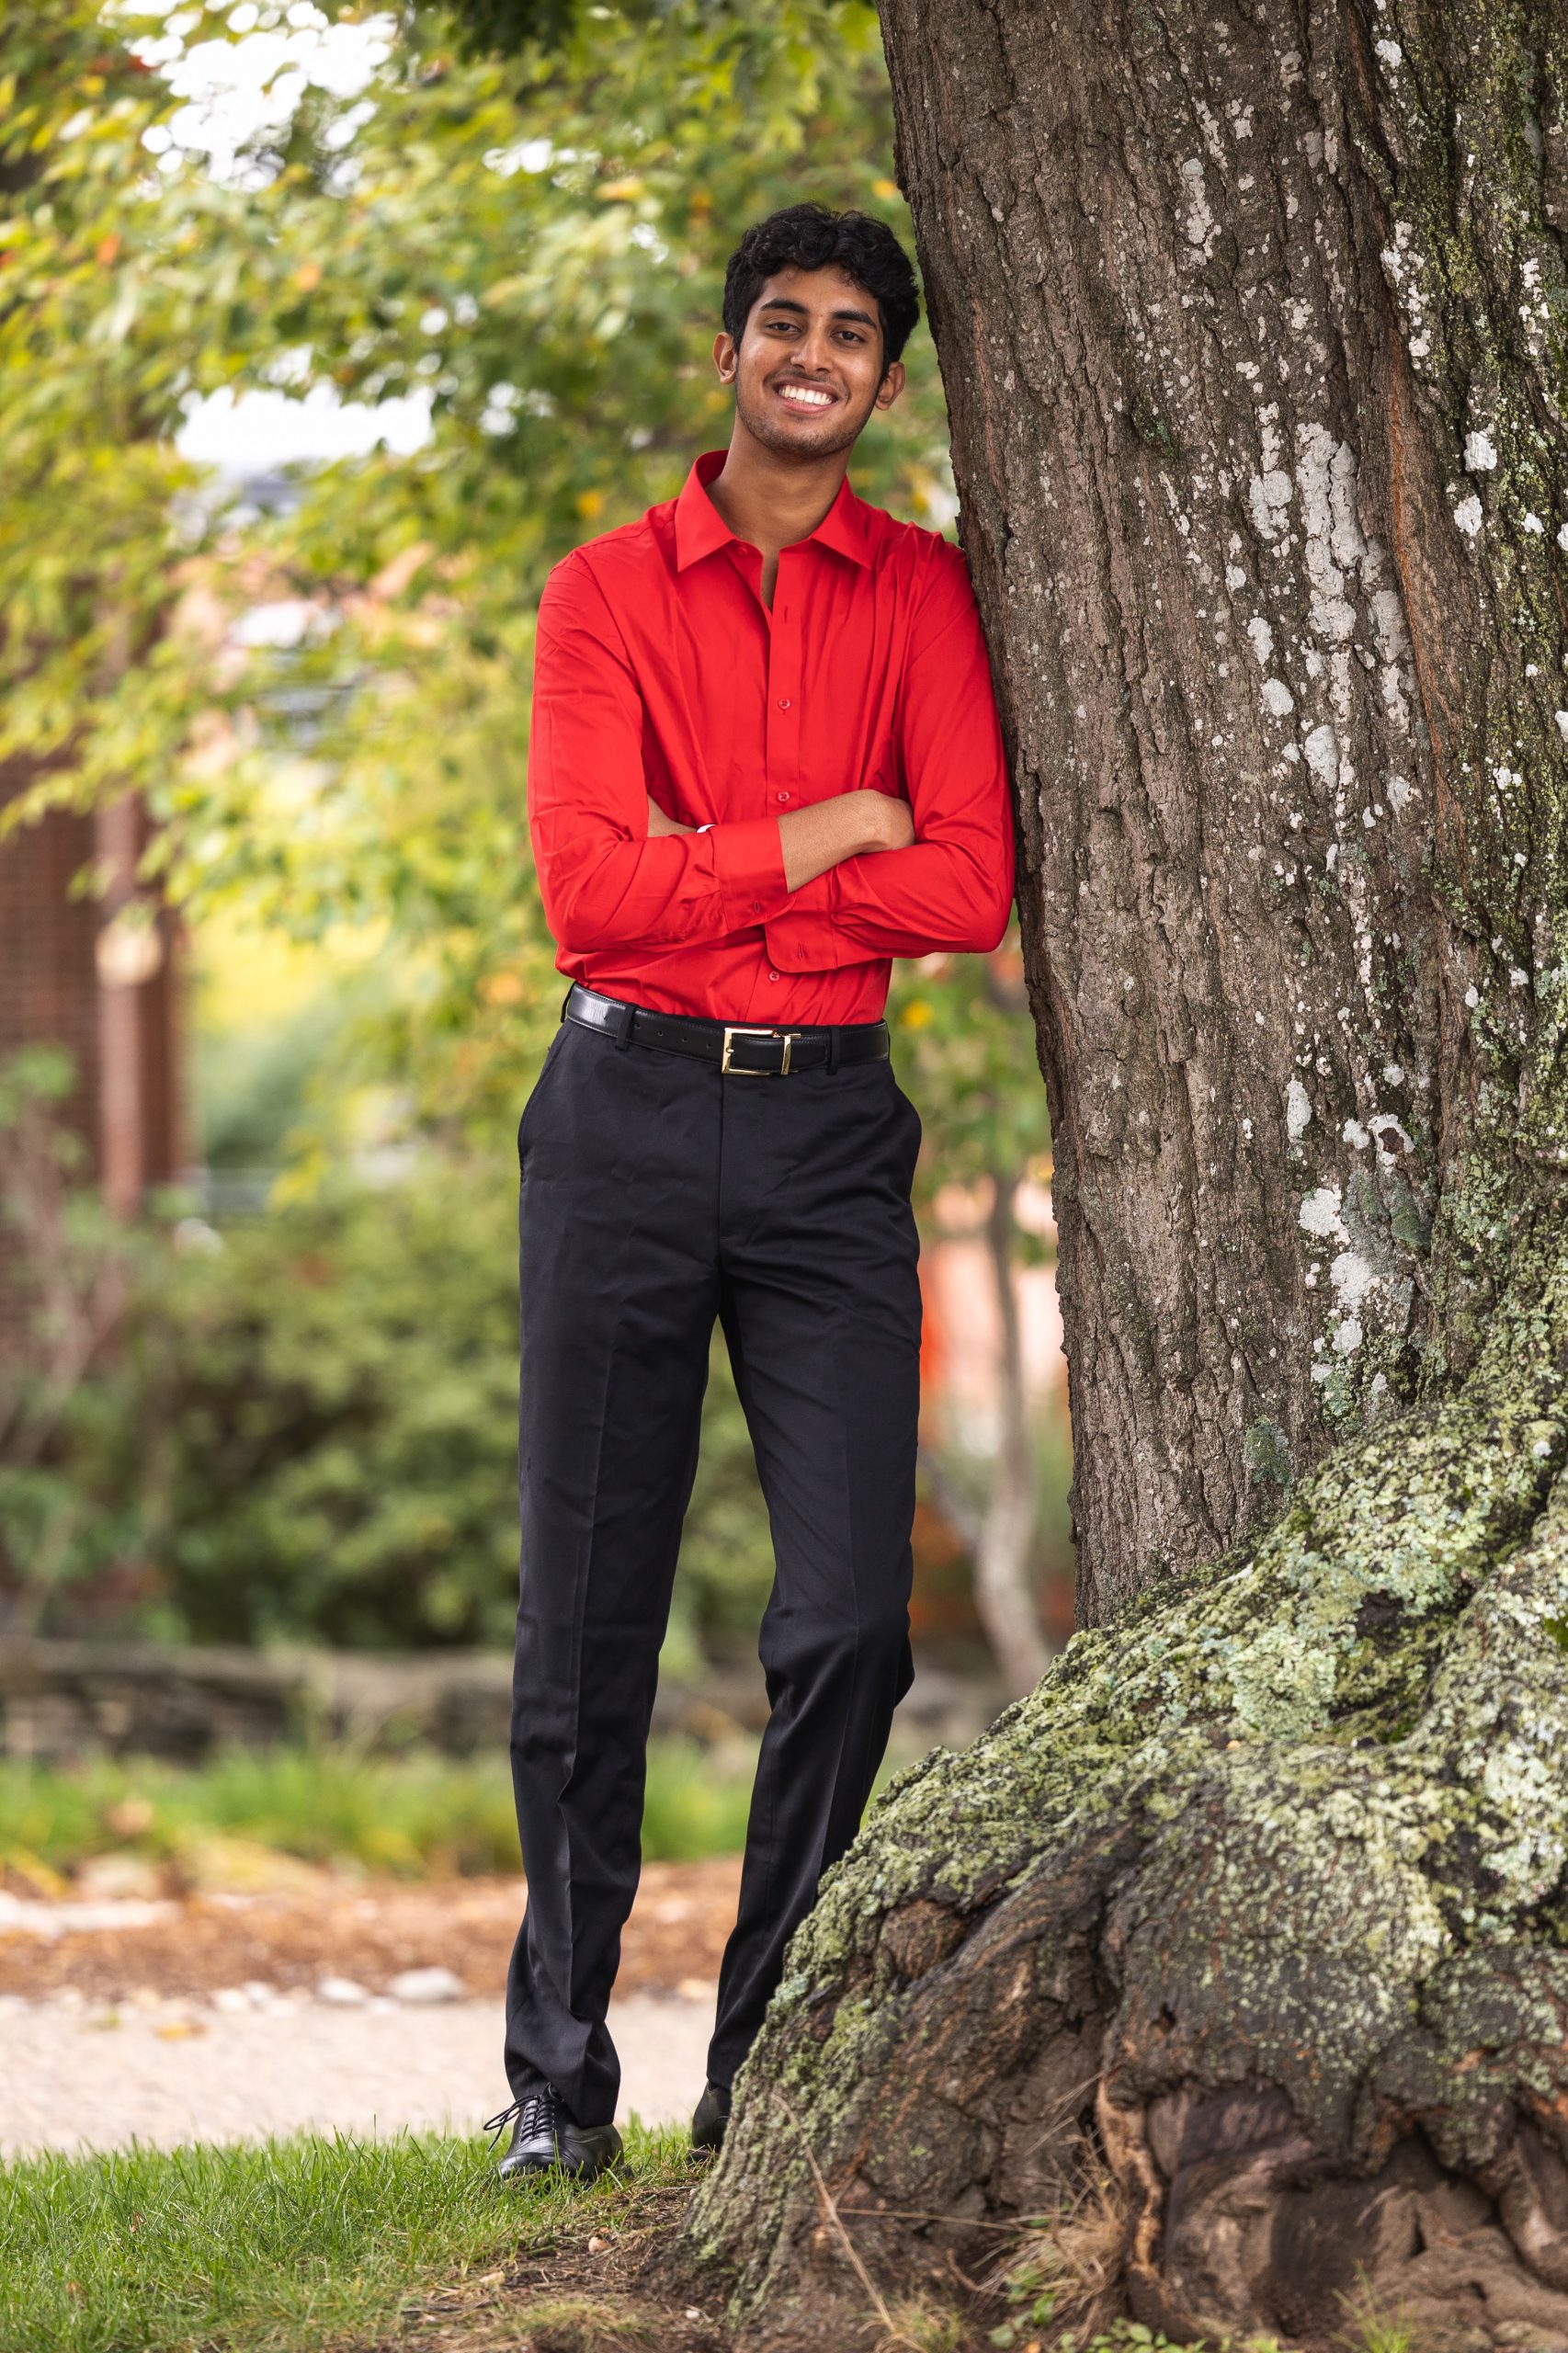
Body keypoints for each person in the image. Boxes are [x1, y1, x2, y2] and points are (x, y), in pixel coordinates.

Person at [488, 199, 1015, 2183]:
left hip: (821, 1140)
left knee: (846, 1627)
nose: (812, 352)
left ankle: (757, 2057)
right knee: (584, 1629)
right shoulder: (604, 591)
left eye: (852, 331)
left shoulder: (924, 597)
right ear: (730, 352)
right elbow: (587, 897)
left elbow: (963, 882)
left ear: (884, 381)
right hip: (617, 1126)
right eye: (781, 320)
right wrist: (820, 831)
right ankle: (555, 2078)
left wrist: (731, 865)